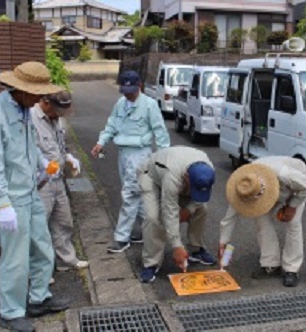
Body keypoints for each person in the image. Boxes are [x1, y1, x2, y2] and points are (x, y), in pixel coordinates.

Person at [0, 62, 70, 332]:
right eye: (36, 93)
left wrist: (43, 163)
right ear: (18, 89)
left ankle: (38, 297)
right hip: (10, 199)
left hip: (30, 192)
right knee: (15, 258)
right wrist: (3, 204)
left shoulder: (24, 110)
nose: (41, 99)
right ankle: (11, 312)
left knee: (43, 248)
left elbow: (29, 146)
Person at [91, 70, 170, 253]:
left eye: (131, 90)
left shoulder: (149, 105)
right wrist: (101, 142)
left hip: (140, 155)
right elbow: (111, 124)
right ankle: (150, 229)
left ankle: (122, 237)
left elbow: (160, 132)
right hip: (123, 154)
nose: (128, 94)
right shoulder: (120, 103)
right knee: (139, 195)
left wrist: (164, 158)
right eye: (125, 90)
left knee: (130, 195)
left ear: (139, 86)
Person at [219, 157, 306, 287]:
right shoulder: (243, 186)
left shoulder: (285, 174)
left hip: (298, 185)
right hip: (273, 186)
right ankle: (271, 265)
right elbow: (229, 217)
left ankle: (291, 269)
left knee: (293, 223)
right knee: (261, 219)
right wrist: (223, 243)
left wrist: (292, 206)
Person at [138, 146, 217, 283]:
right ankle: (151, 263)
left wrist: (189, 210)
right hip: (151, 176)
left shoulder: (208, 171)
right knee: (153, 218)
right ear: (186, 177)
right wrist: (177, 246)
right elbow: (170, 210)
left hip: (181, 180)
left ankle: (196, 249)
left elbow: (201, 198)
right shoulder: (172, 177)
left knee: (202, 209)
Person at [31, 91, 89, 272]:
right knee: (39, 227)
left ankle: (67, 259)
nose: (59, 115)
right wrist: (44, 165)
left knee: (63, 221)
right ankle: (41, 270)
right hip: (41, 182)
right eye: (57, 110)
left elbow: (61, 143)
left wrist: (68, 156)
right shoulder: (31, 119)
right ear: (46, 103)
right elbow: (31, 150)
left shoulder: (56, 120)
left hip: (58, 179)